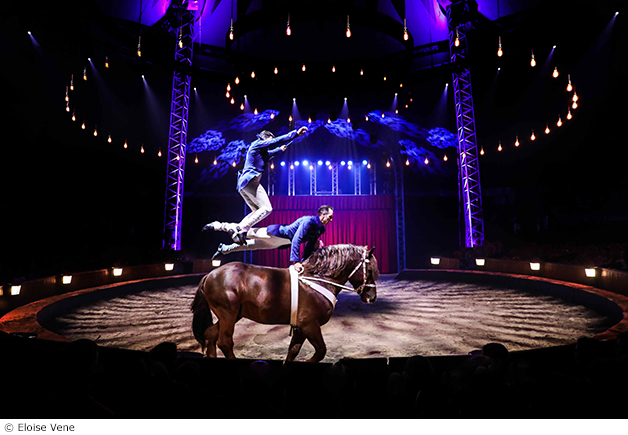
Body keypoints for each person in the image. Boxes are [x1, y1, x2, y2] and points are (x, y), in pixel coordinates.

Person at [203, 126, 308, 244]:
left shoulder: (260, 150)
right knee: (267, 208)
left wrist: (280, 149)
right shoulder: (258, 143)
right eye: (270, 140)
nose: (269, 144)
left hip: (244, 185)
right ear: (265, 137)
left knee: (257, 211)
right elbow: (276, 140)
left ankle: (237, 229)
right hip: (250, 181)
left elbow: (270, 153)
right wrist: (295, 134)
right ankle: (241, 228)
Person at [212, 205, 334, 272]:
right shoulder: (308, 221)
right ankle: (220, 225)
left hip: (282, 242)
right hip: (277, 234)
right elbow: (297, 239)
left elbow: (309, 246)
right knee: (246, 232)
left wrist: (304, 262)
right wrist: (296, 262)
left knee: (251, 245)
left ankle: (224, 249)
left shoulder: (320, 229)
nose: (331, 220)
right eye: (330, 217)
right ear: (323, 214)